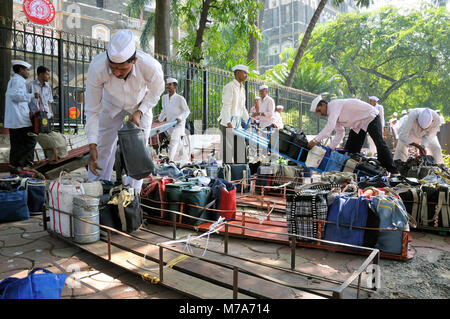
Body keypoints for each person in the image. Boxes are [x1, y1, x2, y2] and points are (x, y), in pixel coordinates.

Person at [84, 29, 165, 193]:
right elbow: (92, 110)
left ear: (134, 60)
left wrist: (140, 111)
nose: (116, 72)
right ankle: (96, 191)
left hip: (140, 105)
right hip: (110, 105)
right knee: (103, 148)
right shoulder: (97, 67)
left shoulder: (150, 66)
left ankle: (131, 195)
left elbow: (157, 91)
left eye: (122, 69)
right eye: (112, 68)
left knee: (138, 151)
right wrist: (92, 145)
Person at [307, 96, 399, 175]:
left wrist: (315, 140)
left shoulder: (334, 105)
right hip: (358, 125)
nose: (319, 114)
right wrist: (330, 149)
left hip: (370, 116)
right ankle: (359, 173)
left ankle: (394, 171)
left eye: (319, 110)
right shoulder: (330, 115)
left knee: (379, 143)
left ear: (323, 104)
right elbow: (340, 132)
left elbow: (329, 127)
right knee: (350, 150)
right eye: (317, 112)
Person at [4, 60, 40, 173]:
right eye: (27, 70)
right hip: (20, 119)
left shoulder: (13, 80)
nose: (28, 72)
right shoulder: (18, 80)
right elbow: (15, 96)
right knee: (30, 141)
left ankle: (14, 166)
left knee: (16, 144)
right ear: (21, 70)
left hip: (15, 119)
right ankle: (23, 165)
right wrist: (32, 95)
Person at [218, 64, 250, 164]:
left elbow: (242, 107)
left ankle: (240, 175)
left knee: (240, 153)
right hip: (227, 123)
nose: (246, 75)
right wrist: (228, 122)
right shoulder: (229, 87)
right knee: (228, 153)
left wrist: (247, 121)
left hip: (238, 125)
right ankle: (227, 174)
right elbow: (226, 105)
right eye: (244, 73)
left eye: (246, 73)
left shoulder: (242, 89)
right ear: (237, 73)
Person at [157, 77, 190, 162]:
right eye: (167, 84)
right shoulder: (164, 98)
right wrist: (160, 120)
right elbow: (164, 110)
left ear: (175, 86)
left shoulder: (180, 98)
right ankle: (186, 160)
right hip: (169, 124)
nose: (168, 86)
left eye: (170, 84)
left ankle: (170, 161)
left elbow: (187, 111)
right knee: (178, 142)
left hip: (179, 124)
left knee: (173, 142)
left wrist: (180, 117)